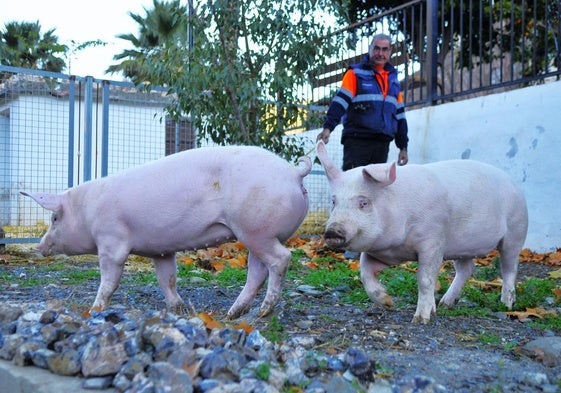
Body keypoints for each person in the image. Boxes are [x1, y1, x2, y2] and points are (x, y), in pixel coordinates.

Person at [316, 33, 409, 170]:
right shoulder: (355, 73)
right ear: (370, 49)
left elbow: (400, 116)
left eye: (384, 49)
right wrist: (328, 128)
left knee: (376, 188)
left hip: (382, 144)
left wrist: (403, 147)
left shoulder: (393, 80)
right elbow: (340, 102)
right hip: (357, 142)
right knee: (354, 186)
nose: (380, 53)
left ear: (390, 52)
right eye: (377, 48)